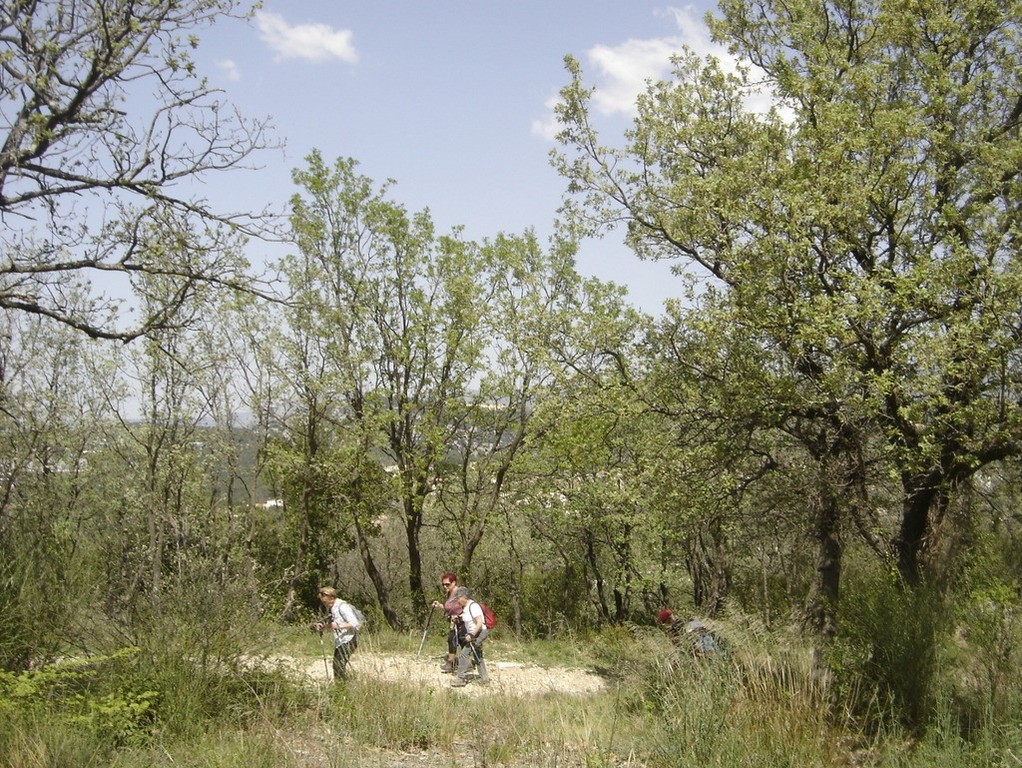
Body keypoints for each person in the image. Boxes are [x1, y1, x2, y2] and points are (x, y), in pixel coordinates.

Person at [316, 587, 361, 680]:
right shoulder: (333, 608)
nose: (324, 604)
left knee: (338, 667)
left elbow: (355, 623)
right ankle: (341, 688)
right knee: (336, 666)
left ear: (331, 597)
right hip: (341, 641)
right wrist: (324, 627)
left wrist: (339, 626)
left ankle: (342, 689)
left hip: (349, 640)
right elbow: (334, 624)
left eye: (325, 602)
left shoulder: (342, 607)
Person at [451, 586, 490, 687]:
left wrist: (472, 634)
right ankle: (484, 679)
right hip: (475, 634)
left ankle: (461, 678)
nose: (457, 602)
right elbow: (467, 620)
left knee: (464, 654)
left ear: (464, 597)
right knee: (478, 655)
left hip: (480, 633)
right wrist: (457, 619)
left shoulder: (473, 606)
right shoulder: (466, 608)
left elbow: (479, 622)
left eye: (458, 599)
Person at [656, 608, 721, 658]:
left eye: (664, 622)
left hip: (702, 653)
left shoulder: (674, 631)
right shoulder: (690, 621)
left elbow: (682, 648)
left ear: (668, 620)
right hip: (706, 652)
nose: (664, 625)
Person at [431, 572, 461, 673]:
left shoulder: (459, 593)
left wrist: (459, 616)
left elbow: (467, 605)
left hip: (462, 621)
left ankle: (469, 663)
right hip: (453, 622)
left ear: (454, 583)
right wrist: (439, 605)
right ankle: (452, 663)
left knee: (461, 642)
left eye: (447, 584)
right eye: (443, 584)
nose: (445, 586)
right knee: (451, 640)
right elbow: (448, 608)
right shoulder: (449, 594)